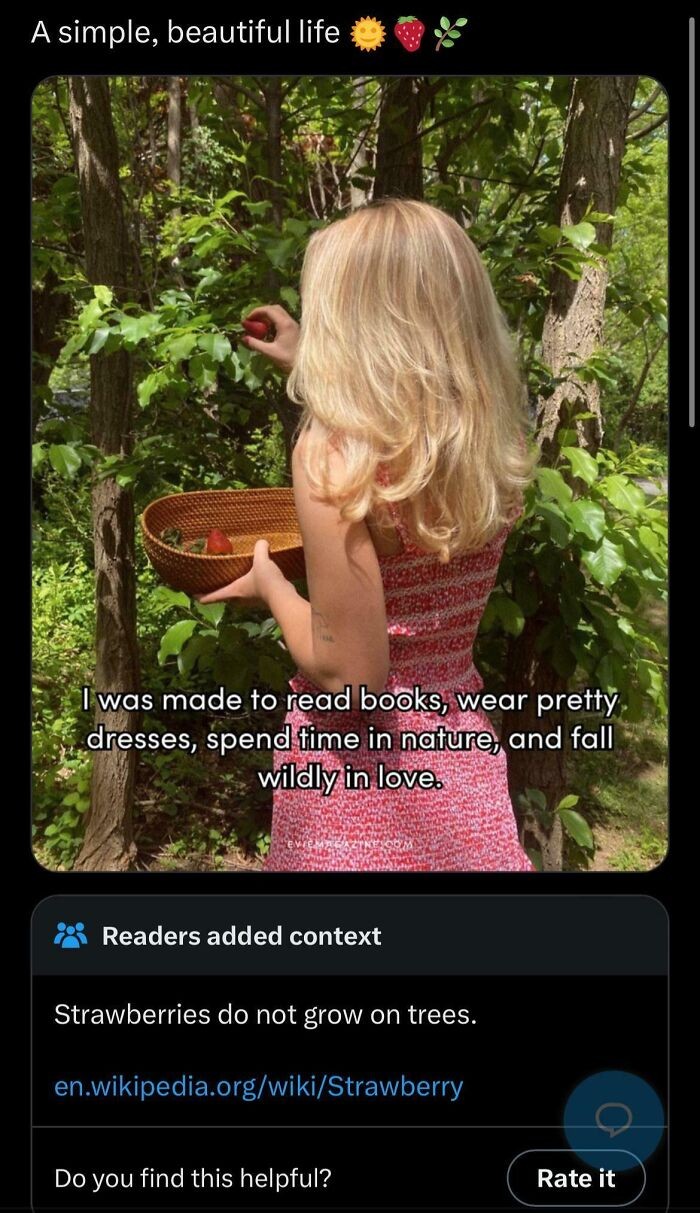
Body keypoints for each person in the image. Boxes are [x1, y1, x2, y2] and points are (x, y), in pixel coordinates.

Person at [199, 199, 535, 872]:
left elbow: (353, 676)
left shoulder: (330, 455)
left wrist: (271, 585)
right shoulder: (489, 440)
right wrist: (304, 361)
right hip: (458, 762)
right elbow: (403, 415)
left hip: (356, 788)